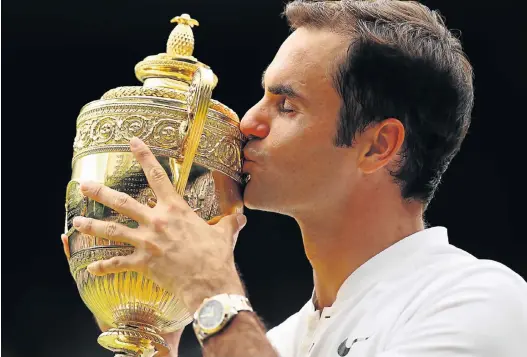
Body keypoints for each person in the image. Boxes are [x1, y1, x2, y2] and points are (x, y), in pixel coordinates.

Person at [61, 1, 527, 356]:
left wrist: (208, 286)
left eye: (286, 106)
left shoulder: (483, 301)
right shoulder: (275, 342)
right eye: (262, 98)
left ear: (377, 146)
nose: (247, 123)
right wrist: (154, 330)